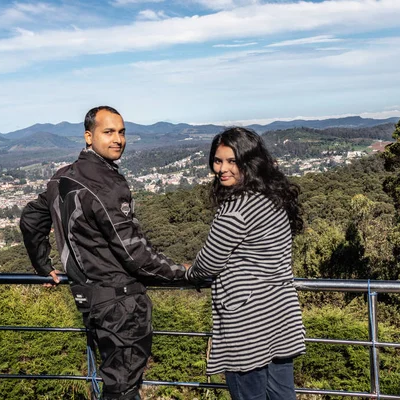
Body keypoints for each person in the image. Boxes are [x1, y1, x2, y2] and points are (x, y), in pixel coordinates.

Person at [19, 105, 186, 400]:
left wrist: (42, 265)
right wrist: (184, 272)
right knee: (122, 389)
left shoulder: (61, 178)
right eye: (108, 132)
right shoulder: (105, 184)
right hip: (120, 305)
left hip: (90, 301)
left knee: (115, 385)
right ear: (88, 136)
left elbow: (31, 220)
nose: (118, 139)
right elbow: (135, 254)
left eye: (121, 132)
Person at [185, 127, 306, 400]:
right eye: (218, 160)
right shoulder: (272, 197)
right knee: (282, 395)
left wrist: (190, 274)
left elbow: (207, 264)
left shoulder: (236, 209)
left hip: (247, 323)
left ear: (249, 162)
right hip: (280, 315)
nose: (222, 169)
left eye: (232, 161)